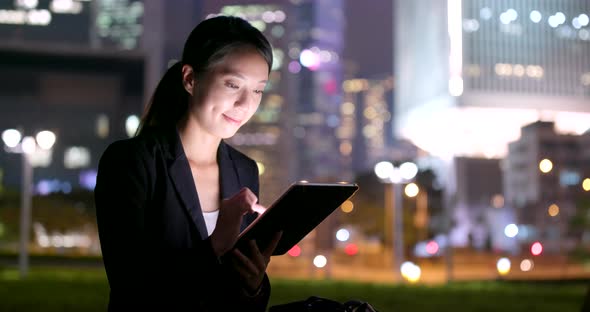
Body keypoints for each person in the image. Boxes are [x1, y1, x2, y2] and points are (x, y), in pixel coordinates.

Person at [94, 16, 281, 311]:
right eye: (233, 84)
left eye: (257, 90)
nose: (246, 104)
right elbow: (130, 285)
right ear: (190, 79)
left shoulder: (244, 169)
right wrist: (216, 244)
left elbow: (241, 299)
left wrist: (254, 281)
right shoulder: (132, 162)